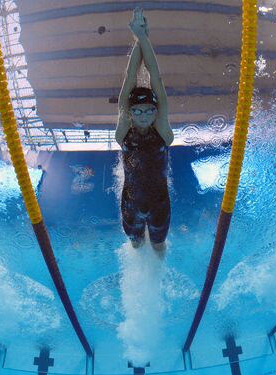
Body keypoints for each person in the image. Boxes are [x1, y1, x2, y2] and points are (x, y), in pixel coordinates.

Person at [115, 8, 174, 255]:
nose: (143, 115)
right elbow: (129, 78)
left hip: (159, 205)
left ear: (156, 110)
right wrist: (140, 38)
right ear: (129, 112)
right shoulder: (123, 132)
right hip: (130, 205)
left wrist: (143, 38)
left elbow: (157, 81)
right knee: (137, 245)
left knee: (158, 246)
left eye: (149, 110)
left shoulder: (163, 131)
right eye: (137, 111)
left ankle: (157, 281)